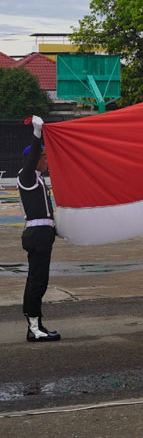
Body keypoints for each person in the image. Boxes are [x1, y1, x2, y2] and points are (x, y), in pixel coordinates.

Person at [18, 116, 61, 342]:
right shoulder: (26, 177)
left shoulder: (37, 179)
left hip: (42, 235)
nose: (45, 161)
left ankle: (37, 325)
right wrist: (38, 132)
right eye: (42, 157)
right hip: (37, 236)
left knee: (38, 280)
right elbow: (34, 153)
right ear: (32, 160)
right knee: (37, 281)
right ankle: (34, 328)